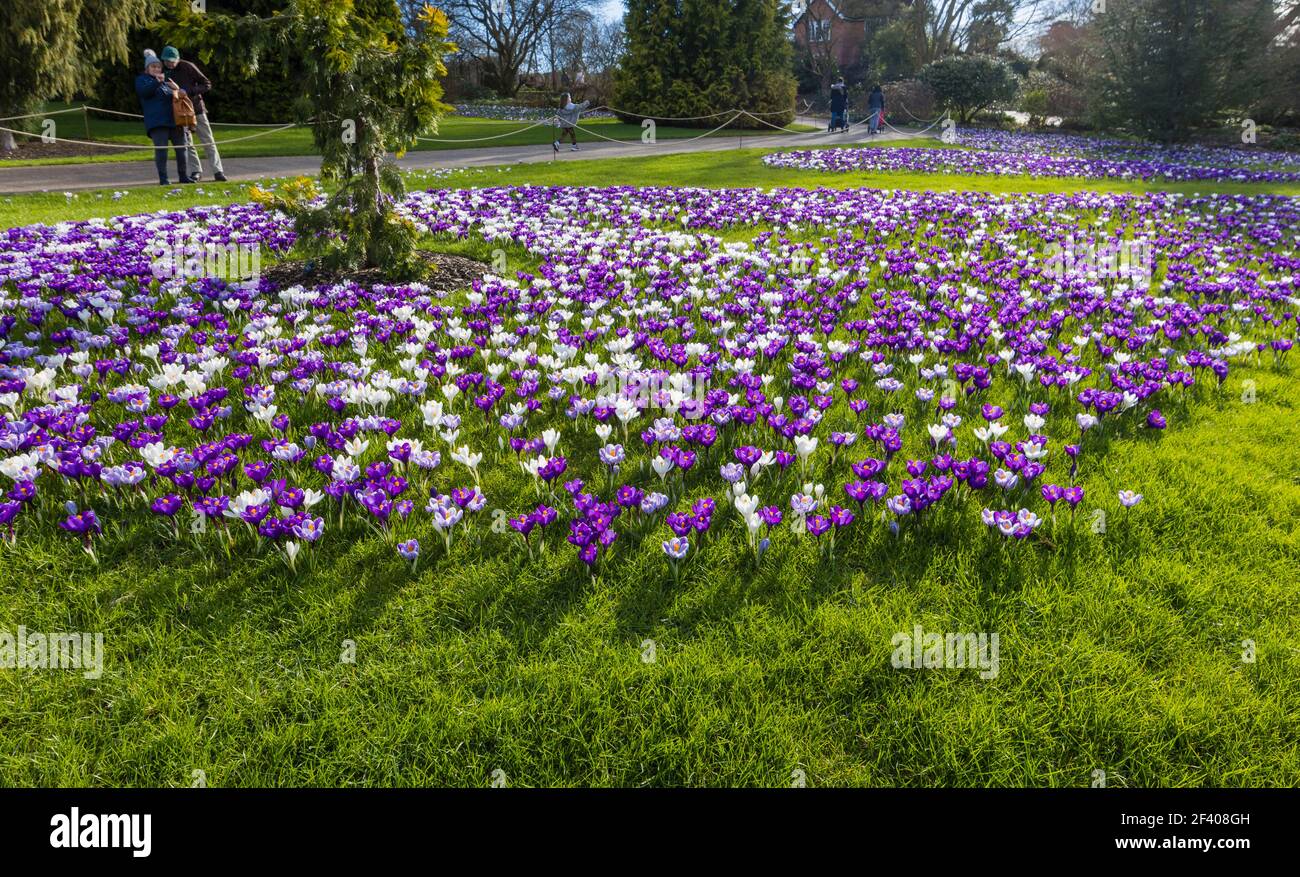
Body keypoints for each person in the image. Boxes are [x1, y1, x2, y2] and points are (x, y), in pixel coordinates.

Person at [161, 46, 226, 182]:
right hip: (180, 113)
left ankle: (218, 171)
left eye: (172, 61)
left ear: (178, 58)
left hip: (197, 109)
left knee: (208, 141)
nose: (170, 63)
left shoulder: (188, 66)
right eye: (167, 61)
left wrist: (188, 91)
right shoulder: (163, 72)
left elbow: (206, 84)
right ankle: (196, 171)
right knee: (188, 143)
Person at [135, 50, 189, 186]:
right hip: (157, 123)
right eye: (153, 67)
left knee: (182, 150)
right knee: (162, 152)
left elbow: (176, 98)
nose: (157, 69)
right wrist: (157, 83)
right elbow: (144, 92)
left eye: (158, 67)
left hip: (175, 122)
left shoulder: (166, 83)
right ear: (147, 68)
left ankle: (183, 176)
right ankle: (163, 179)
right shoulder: (142, 80)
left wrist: (177, 89)